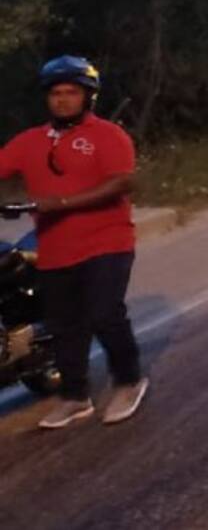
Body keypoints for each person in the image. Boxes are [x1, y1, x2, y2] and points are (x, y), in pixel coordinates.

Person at [0, 57, 149, 430]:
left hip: (107, 241)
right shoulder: (29, 142)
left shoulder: (108, 135)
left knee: (104, 313)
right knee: (65, 325)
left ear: (88, 96)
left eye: (71, 92)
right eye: (56, 93)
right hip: (54, 248)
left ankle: (129, 380)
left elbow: (121, 182)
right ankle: (74, 396)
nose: (63, 100)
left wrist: (61, 203)